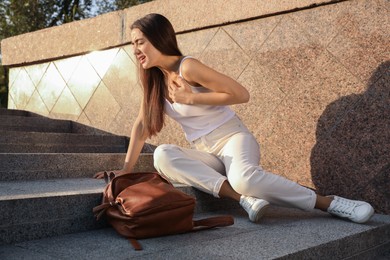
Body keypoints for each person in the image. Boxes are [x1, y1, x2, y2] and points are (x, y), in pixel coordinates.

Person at [94, 13, 374, 224]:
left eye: (139, 41)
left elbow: (240, 93)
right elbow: (142, 125)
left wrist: (192, 98)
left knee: (245, 177)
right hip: (208, 154)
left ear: (158, 38)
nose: (135, 50)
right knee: (163, 155)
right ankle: (244, 201)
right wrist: (127, 169)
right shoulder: (154, 82)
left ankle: (329, 203)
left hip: (233, 139)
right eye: (132, 44)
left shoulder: (187, 66)